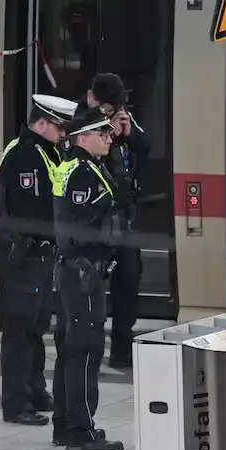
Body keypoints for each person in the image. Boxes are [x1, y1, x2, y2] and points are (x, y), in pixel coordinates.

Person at [0, 95, 77, 426]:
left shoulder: (47, 151)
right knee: (19, 329)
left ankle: (35, 389)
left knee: (37, 324)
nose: (62, 134)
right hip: (21, 252)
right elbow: (35, 208)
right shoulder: (25, 155)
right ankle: (15, 403)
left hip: (40, 253)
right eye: (59, 127)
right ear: (41, 123)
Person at [51, 110, 125, 450]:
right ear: (83, 137)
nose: (109, 138)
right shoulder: (81, 173)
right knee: (85, 350)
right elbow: (78, 225)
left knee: (71, 348)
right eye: (103, 133)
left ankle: (66, 425)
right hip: (83, 271)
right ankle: (81, 431)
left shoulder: (80, 167)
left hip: (75, 270)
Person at [82, 72, 150, 369]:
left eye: (115, 109)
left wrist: (127, 133)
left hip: (124, 219)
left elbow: (145, 146)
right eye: (106, 109)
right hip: (95, 221)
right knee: (89, 290)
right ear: (91, 99)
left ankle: (121, 349)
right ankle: (87, 352)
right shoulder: (80, 123)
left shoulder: (125, 119)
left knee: (128, 283)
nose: (110, 115)